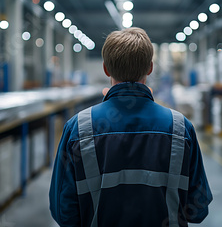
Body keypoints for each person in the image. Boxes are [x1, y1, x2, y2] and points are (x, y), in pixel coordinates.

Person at [49, 27, 212, 227]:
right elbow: (199, 209)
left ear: (106, 69)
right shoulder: (181, 128)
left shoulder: (77, 129)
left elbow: (63, 212)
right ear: (150, 68)